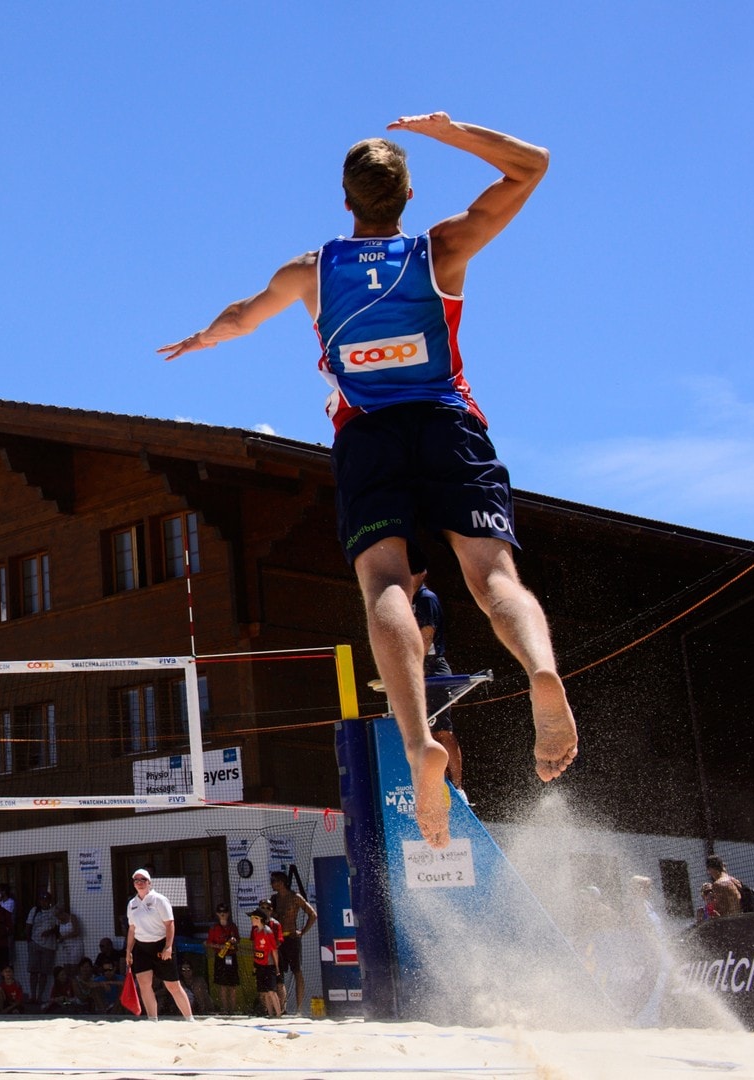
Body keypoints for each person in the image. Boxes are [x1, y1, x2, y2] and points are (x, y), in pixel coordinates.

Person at [158, 113, 577, 849]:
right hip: (447, 420)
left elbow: (244, 317)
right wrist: (447, 130)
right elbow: (531, 164)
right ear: (408, 194)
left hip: (368, 434)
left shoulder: (311, 271)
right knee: (493, 576)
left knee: (387, 583)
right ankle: (541, 670)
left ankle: (418, 744)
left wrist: (206, 336)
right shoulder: (442, 248)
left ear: (345, 199)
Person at [410, 549, 464, 786]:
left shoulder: (426, 599)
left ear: (422, 574)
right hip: (414, 667)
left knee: (442, 730)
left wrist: (414, 668)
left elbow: (426, 637)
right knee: (426, 733)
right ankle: (437, 785)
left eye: (412, 573)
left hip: (431, 667)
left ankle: (458, 787)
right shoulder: (405, 599)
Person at [123, 869, 194, 1021]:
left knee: (173, 985)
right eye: (136, 880)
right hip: (141, 947)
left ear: (149, 882)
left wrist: (168, 947)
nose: (139, 883)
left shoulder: (159, 900)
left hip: (160, 945)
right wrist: (128, 951)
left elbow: (170, 924)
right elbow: (132, 929)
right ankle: (152, 1019)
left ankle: (189, 1019)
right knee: (144, 984)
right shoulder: (132, 904)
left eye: (143, 880)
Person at [267, 871, 317, 1016]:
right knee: (279, 973)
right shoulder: (273, 899)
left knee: (297, 972)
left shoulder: (295, 897)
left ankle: (299, 1009)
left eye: (274, 881)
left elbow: (313, 914)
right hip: (278, 941)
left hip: (292, 939)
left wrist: (302, 931)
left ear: (281, 882)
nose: (272, 884)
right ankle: (282, 1008)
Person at [205, 903, 241, 1015]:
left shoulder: (233, 926)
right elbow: (208, 943)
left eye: (224, 912)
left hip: (231, 956)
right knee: (222, 985)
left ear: (228, 913)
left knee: (233, 985)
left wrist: (234, 941)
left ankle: (233, 1010)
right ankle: (225, 1009)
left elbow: (238, 940)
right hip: (220, 957)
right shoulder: (214, 928)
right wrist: (219, 946)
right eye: (220, 912)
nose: (222, 914)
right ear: (217, 914)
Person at [248, 910, 283, 1017]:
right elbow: (256, 950)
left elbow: (274, 950)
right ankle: (270, 1014)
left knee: (272, 991)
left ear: (259, 919)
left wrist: (277, 967)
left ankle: (278, 1014)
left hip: (269, 965)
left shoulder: (267, 932)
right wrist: (255, 965)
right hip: (260, 965)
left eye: (253, 918)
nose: (251, 920)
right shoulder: (255, 931)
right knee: (265, 992)